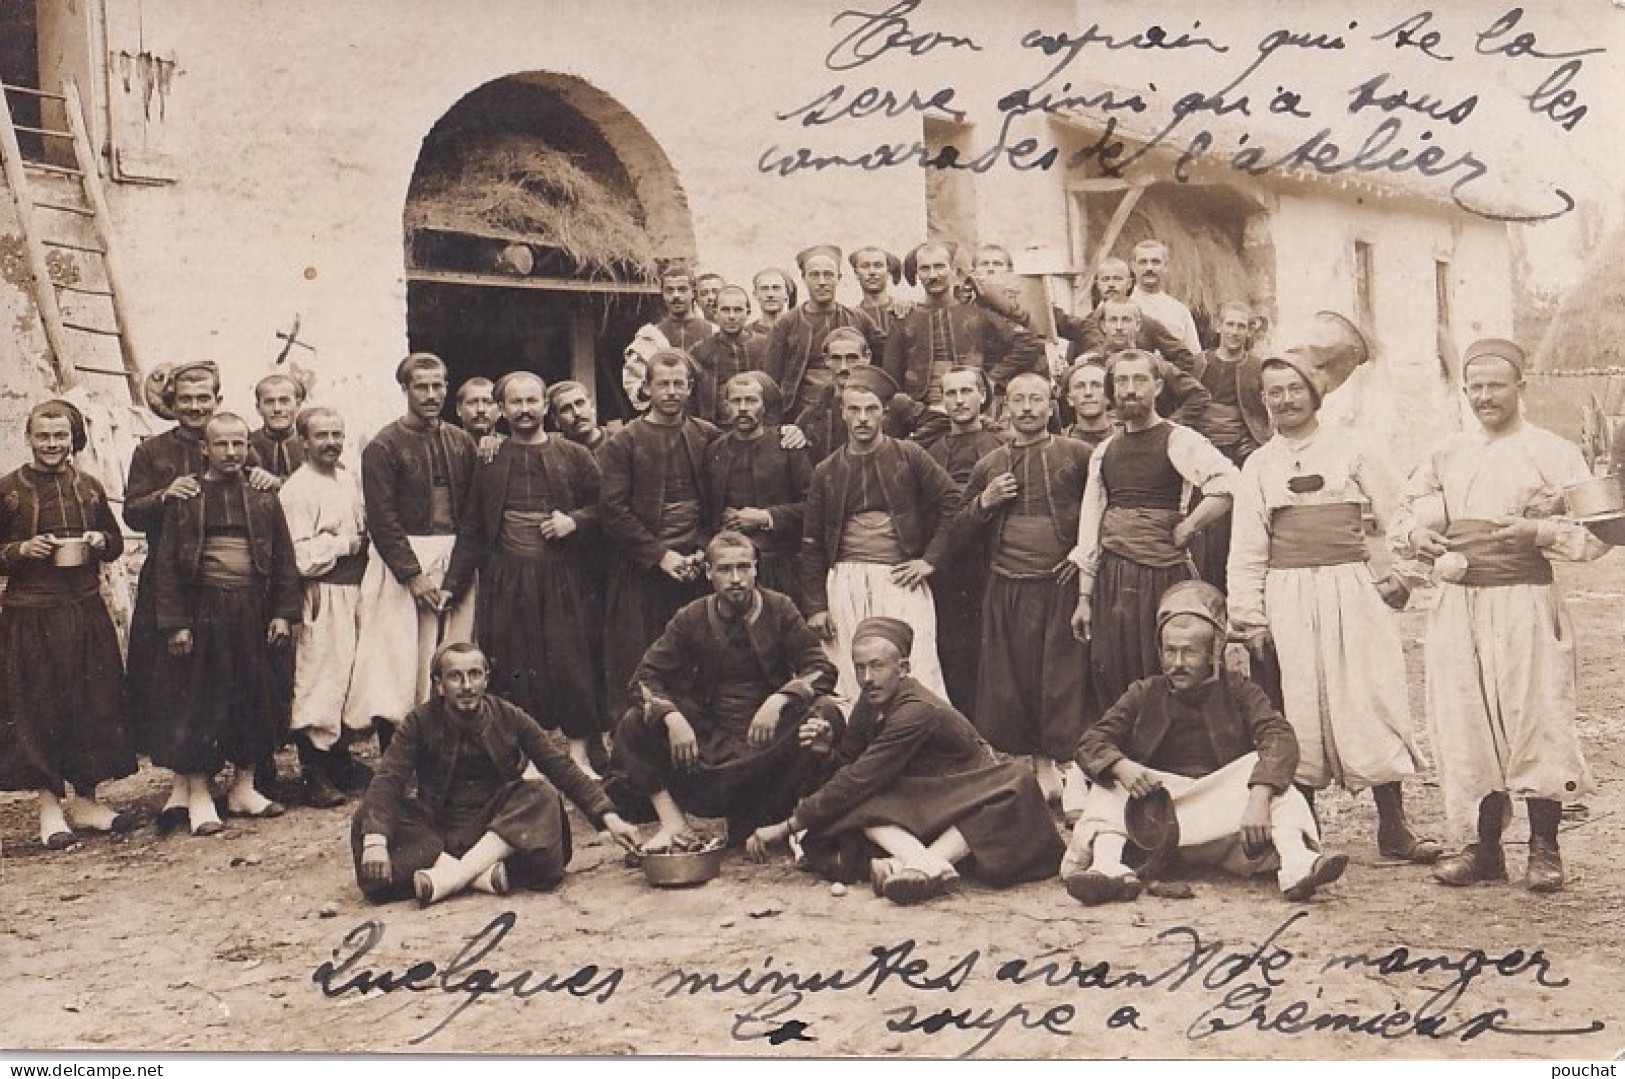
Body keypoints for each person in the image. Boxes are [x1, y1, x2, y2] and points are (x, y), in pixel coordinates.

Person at [1390, 338, 1609, 893]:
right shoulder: (1447, 452)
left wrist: (1538, 531)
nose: (1485, 396)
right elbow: (1406, 514)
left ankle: (1544, 848)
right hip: (1459, 605)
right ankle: (1483, 849)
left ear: (1520, 388)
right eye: (1475, 387)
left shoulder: (1553, 452)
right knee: (1467, 722)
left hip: (1525, 603)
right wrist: (1417, 534)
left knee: (1536, 717)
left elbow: (1601, 535)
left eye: (1496, 385)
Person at [1228, 354, 1438, 864]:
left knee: (1371, 694)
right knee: (1299, 703)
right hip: (1288, 595)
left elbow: (1401, 510)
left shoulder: (1353, 448)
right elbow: (1248, 547)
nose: (1285, 399)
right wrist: (1250, 619)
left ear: (1315, 392)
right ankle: (1307, 832)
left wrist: (1404, 574)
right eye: (1274, 392)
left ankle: (1393, 827)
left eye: (1294, 388)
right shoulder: (1259, 466)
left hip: (1352, 589)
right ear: (1264, 401)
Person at [1062, 581, 1349, 905]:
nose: (1177, 663)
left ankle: (1298, 866)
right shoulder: (1143, 693)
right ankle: (1108, 869)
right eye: (1170, 651)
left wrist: (1259, 794)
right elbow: (1092, 741)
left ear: (1213, 652)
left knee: (1274, 781)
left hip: (1220, 814)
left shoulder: (1239, 690)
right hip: (1157, 816)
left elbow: (1278, 736)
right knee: (1107, 782)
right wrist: (1122, 767)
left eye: (1190, 652)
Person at [750, 616, 1064, 905]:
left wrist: (786, 826)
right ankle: (924, 866)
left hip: (973, 789)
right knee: (860, 804)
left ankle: (918, 866)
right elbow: (850, 767)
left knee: (868, 800)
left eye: (877, 666)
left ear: (903, 668)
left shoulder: (915, 710)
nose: (867, 678)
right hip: (929, 797)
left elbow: (860, 778)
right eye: (859, 668)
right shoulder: (871, 701)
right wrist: (825, 752)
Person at [353, 642, 639, 906]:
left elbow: (560, 766)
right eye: (455, 677)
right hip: (437, 833)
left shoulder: (510, 716)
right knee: (366, 818)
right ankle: (479, 876)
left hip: (500, 832)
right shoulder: (419, 722)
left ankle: (449, 877)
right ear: (439, 684)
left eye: (475, 675)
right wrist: (376, 840)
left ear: (486, 679)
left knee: (540, 794)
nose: (467, 686)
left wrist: (607, 816)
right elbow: (389, 778)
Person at [608, 531, 844, 848]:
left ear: (756, 569)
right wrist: (672, 717)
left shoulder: (780, 609)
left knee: (825, 713)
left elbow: (821, 668)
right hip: (707, 748)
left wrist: (780, 698)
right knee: (634, 723)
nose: (736, 578)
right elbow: (643, 678)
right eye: (725, 569)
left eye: (744, 567)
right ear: (708, 573)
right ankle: (673, 824)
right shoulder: (690, 617)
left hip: (766, 746)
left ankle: (795, 820)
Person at [124, 360, 275, 818]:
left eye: (203, 398)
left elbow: (260, 499)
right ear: (173, 404)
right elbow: (132, 513)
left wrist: (270, 477)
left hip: (229, 589)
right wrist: (164, 494)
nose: (194, 406)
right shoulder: (152, 452)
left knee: (231, 679)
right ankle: (183, 785)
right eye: (185, 399)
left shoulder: (237, 446)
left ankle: (236, 782)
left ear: (217, 400)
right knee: (178, 684)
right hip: (174, 580)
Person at [443, 372, 608, 777]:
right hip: (508, 578)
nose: (524, 410)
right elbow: (473, 528)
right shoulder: (490, 459)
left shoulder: (573, 455)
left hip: (563, 576)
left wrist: (575, 521)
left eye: (532, 401)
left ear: (545, 406)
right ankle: (531, 759)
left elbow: (610, 507)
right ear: (501, 409)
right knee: (517, 666)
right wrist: (452, 584)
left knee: (572, 663)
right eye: (514, 402)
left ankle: (578, 757)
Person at [148, 412, 301, 835]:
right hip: (203, 611)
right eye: (222, 445)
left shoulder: (263, 497)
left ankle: (244, 787)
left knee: (253, 695)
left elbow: (285, 562)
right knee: (200, 701)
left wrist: (283, 614)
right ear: (205, 449)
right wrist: (176, 623)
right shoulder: (187, 497)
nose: (232, 453)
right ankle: (199, 793)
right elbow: (166, 568)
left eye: (239, 444)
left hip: (252, 608)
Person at [1070, 350, 1239, 716]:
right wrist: (1085, 597)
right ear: (1112, 391)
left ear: (1158, 386)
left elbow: (1227, 484)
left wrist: (1189, 526)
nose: (1131, 390)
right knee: (1114, 668)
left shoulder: (1180, 439)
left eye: (1140, 380)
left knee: (1167, 667)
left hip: (1163, 576)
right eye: (1122, 382)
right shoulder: (1103, 452)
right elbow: (1090, 525)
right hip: (1113, 578)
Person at [0, 400, 136, 848]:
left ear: (71, 438)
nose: (52, 444)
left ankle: (88, 800)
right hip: (30, 614)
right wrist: (20, 551)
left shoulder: (90, 488)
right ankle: (50, 808)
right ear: (29, 438)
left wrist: (100, 540)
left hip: (84, 610)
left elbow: (116, 541)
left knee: (92, 703)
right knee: (39, 709)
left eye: (60, 436)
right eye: (44, 436)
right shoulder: (9, 491)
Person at [957, 373, 1092, 804]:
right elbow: (958, 529)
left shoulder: (1077, 454)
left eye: (1037, 399)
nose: (1028, 408)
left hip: (1060, 585)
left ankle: (1073, 771)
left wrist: (1081, 558)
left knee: (1063, 678)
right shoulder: (989, 465)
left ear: (1053, 405)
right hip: (1007, 586)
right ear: (1004, 407)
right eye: (1019, 400)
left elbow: (1100, 515)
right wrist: (985, 501)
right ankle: (1040, 768)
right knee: (1014, 681)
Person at [801, 365, 958, 704]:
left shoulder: (909, 455)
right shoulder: (826, 470)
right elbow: (812, 541)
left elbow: (952, 503)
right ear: (842, 412)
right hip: (845, 582)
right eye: (854, 409)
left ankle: (917, 744)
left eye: (871, 409)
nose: (862, 418)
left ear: (884, 413)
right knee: (849, 670)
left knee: (914, 668)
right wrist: (816, 606)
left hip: (900, 580)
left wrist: (930, 560)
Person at [348, 353, 478, 751]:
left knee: (451, 655)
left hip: (454, 560)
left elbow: (473, 516)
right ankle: (397, 753)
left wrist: (455, 579)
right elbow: (382, 519)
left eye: (438, 385)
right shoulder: (384, 446)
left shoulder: (462, 442)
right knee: (399, 661)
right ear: (405, 390)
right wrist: (412, 575)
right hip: (402, 564)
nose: (431, 394)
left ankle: (449, 748)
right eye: (421, 386)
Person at [598, 349, 720, 719]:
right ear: (647, 388)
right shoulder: (623, 441)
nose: (670, 392)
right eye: (662, 384)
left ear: (690, 388)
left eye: (678, 384)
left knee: (697, 657)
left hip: (695, 568)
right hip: (642, 570)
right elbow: (612, 510)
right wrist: (660, 556)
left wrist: (702, 552)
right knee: (640, 658)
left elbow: (718, 501)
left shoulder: (706, 435)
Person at [278, 406, 374, 808]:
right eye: (321, 436)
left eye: (337, 434)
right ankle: (314, 772)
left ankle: (340, 761)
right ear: (302, 441)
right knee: (320, 677)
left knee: (350, 677)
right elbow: (297, 555)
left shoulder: (347, 479)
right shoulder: (297, 490)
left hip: (355, 589)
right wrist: (342, 544)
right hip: (322, 593)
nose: (331, 442)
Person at [923, 365, 1003, 713]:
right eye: (951, 393)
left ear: (982, 396)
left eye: (966, 391)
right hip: (949, 563)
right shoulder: (930, 450)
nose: (959, 400)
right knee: (953, 647)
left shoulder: (1001, 444)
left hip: (992, 557)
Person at [884, 241, 1045, 407]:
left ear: (953, 270)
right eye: (925, 268)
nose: (933, 275)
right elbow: (890, 377)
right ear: (917, 274)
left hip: (974, 408)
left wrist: (992, 378)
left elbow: (1029, 343)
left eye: (939, 266)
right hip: (923, 411)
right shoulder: (905, 319)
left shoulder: (976, 314)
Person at [702, 372, 811, 608]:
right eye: (736, 401)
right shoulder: (714, 452)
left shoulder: (787, 446)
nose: (743, 408)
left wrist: (765, 517)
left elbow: (812, 506)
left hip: (779, 565)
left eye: (751, 401)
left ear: (764, 405)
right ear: (726, 405)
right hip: (729, 569)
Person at [1189, 301, 1269, 589]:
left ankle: (1237, 592)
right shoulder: (1198, 363)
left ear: (1249, 331)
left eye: (1242, 326)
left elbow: (1262, 414)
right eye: (1230, 324)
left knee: (1239, 525)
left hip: (1241, 453)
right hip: (1202, 453)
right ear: (1218, 326)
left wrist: (1254, 443)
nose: (1235, 332)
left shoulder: (1257, 367)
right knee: (1203, 523)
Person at [764, 244, 883, 424]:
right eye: (814, 275)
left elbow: (881, 359)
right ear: (804, 278)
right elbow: (771, 377)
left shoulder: (859, 318)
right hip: (799, 411)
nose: (822, 282)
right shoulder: (787, 323)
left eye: (828, 274)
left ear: (839, 278)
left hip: (852, 408)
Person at [1056, 257, 1196, 372]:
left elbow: (1184, 357)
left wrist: (1160, 376)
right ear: (1097, 284)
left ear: (1129, 284)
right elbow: (1072, 363)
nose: (1111, 285)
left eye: (1117, 279)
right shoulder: (1087, 324)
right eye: (1105, 279)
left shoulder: (1145, 322)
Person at [690, 284, 768, 424]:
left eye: (738, 310)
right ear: (715, 313)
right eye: (725, 310)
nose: (732, 316)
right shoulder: (700, 351)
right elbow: (691, 400)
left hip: (757, 428)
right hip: (714, 429)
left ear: (748, 312)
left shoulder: (765, 347)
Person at [1129, 239, 1203, 357]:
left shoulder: (1179, 310)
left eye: (1155, 262)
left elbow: (1194, 356)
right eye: (1143, 262)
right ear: (1133, 266)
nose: (1149, 268)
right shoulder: (1122, 305)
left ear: (1165, 266)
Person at [249, 371, 308, 481]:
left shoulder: (310, 444)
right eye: (269, 402)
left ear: (298, 405)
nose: (277, 409)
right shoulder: (248, 445)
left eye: (284, 401)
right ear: (258, 408)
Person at [850, 245, 912, 346]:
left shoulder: (904, 310)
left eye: (878, 265)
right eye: (865, 266)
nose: (872, 272)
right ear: (856, 273)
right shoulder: (853, 317)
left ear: (888, 272)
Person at [548, 379, 621, 458]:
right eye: (566, 409)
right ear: (555, 420)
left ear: (592, 406)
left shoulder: (620, 441)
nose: (577, 413)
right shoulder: (554, 454)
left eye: (580, 403)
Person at [653, 267, 715, 352]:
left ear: (693, 292)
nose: (676, 295)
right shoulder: (653, 334)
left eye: (682, 289)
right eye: (669, 290)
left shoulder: (713, 331)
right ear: (662, 294)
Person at [1059, 360, 1112, 454]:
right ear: (1069, 399)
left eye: (1096, 385)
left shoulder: (1127, 441)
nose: (1088, 392)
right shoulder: (1058, 447)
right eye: (1079, 386)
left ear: (1109, 395)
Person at [746, 266, 794, 339]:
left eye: (776, 288)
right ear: (755, 295)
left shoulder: (798, 331)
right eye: (764, 288)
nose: (770, 294)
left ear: (787, 293)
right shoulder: (746, 334)